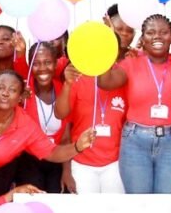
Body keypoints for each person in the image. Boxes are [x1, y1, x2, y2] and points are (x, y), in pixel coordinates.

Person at [94, 14, 171, 195]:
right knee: (140, 205)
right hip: (135, 142)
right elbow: (105, 82)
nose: (157, 36)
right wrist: (109, 42)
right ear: (142, 39)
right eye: (151, 32)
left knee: (167, 206)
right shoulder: (131, 64)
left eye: (164, 32)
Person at [0, 70, 96, 199]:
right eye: (0, 88)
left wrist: (77, 147)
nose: (5, 93)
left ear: (20, 97)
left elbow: (52, 152)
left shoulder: (26, 125)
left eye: (13, 90)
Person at [55, 49, 128, 194]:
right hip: (83, 163)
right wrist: (68, 84)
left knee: (114, 212)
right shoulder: (78, 79)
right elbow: (60, 114)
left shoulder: (122, 80)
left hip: (115, 164)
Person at [18, 41, 69, 193]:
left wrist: (67, 171)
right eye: (36, 63)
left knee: (57, 199)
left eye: (47, 62)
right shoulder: (23, 92)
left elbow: (66, 137)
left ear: (55, 64)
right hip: (29, 159)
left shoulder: (64, 90)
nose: (42, 68)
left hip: (58, 157)